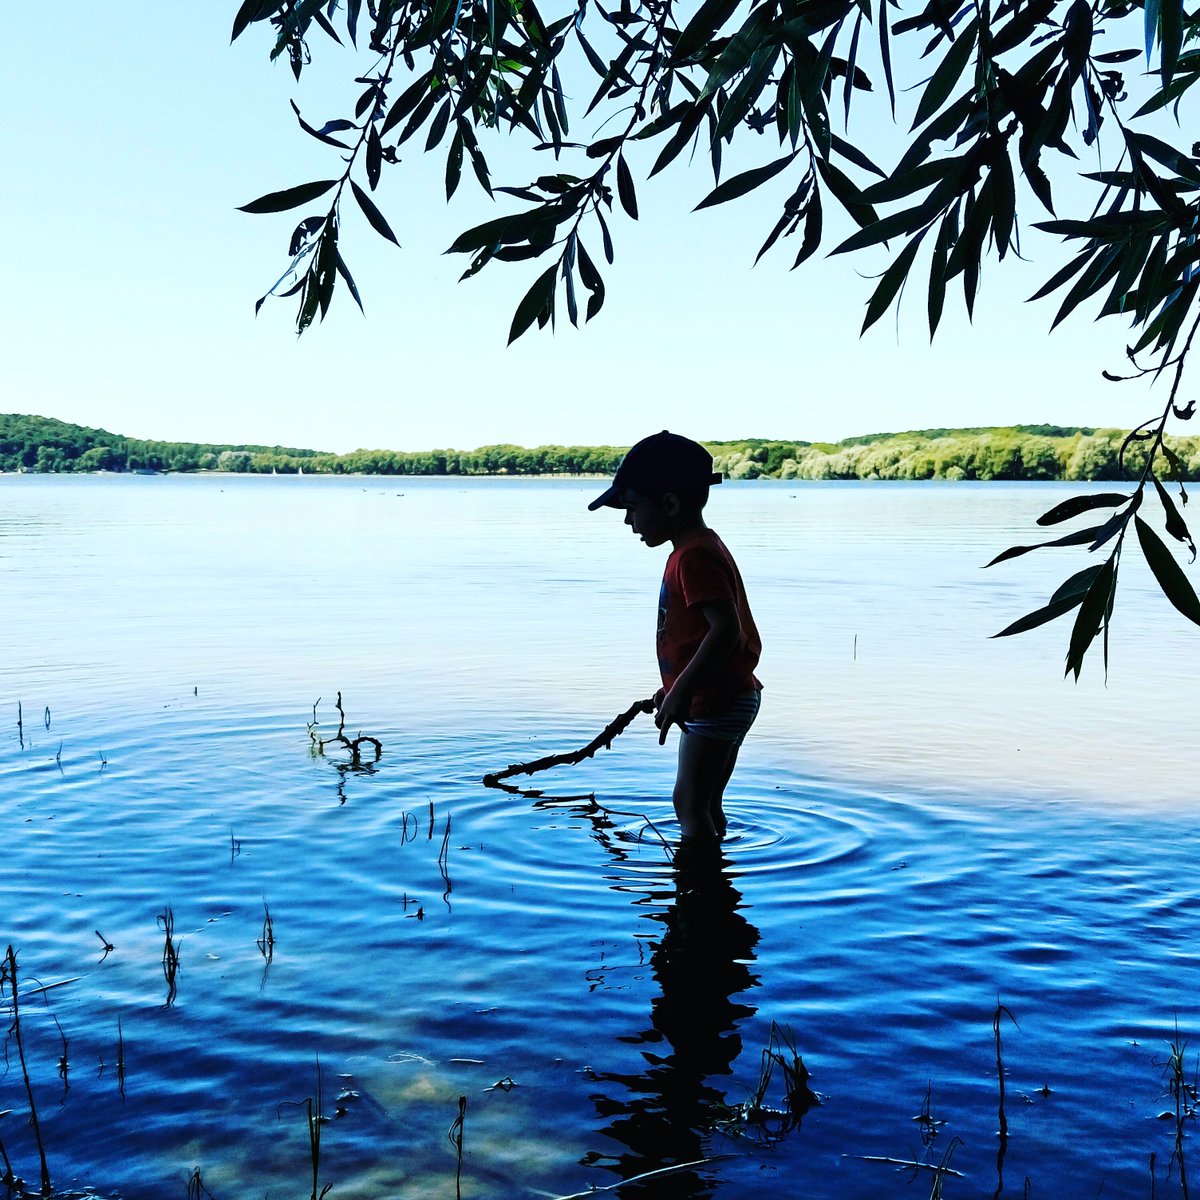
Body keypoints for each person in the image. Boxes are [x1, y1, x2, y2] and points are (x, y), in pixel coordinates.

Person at [589, 431, 762, 842]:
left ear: (669, 504)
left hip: (717, 700)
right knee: (705, 802)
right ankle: (714, 870)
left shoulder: (694, 556)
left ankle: (695, 876)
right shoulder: (698, 548)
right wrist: (672, 688)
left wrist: (682, 690)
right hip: (729, 694)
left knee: (687, 803)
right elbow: (703, 635)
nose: (628, 521)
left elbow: (726, 630)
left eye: (632, 508)